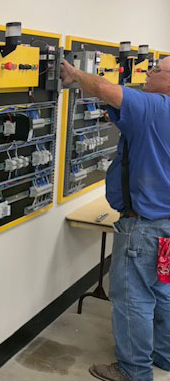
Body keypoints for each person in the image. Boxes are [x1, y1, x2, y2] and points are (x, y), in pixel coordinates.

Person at [61, 57, 170, 381]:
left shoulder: (157, 108)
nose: (148, 73)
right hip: (166, 222)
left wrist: (75, 74)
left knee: (131, 298)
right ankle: (164, 355)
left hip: (144, 225)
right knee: (163, 291)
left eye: (156, 70)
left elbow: (108, 90)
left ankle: (133, 371)